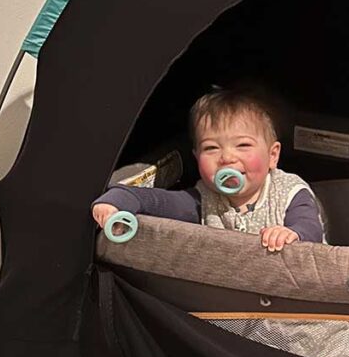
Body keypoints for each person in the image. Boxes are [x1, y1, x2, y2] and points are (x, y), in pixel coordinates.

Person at [92, 86, 324, 251]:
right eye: (211, 148)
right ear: (196, 157)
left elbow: (310, 228)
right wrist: (115, 200)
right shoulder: (204, 200)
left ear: (273, 156)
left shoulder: (289, 191)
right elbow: (155, 201)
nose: (227, 157)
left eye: (243, 145)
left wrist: (293, 234)